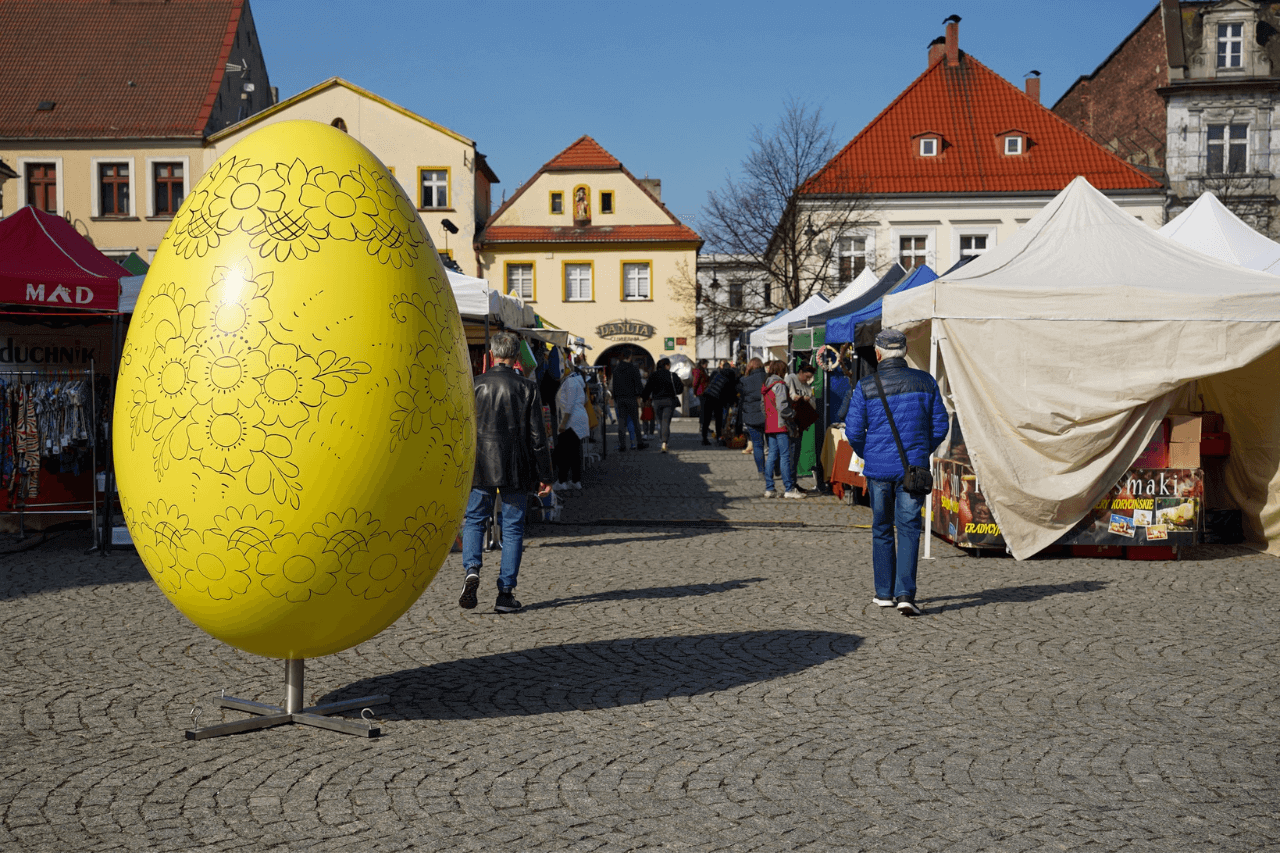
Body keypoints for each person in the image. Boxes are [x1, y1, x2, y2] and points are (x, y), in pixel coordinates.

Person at [844, 329, 948, 616]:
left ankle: (884, 593)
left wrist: (870, 454)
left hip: (878, 470)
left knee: (881, 528)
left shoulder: (866, 385)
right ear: (903, 352)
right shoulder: (925, 381)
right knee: (909, 529)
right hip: (912, 469)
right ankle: (905, 594)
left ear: (878, 354)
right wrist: (921, 450)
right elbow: (940, 425)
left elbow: (853, 431)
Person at [459, 332, 555, 614]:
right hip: (516, 466)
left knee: (475, 520)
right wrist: (546, 475)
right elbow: (539, 436)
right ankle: (505, 592)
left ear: (491, 355)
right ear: (516, 357)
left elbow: (463, 430)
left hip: (480, 466)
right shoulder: (527, 388)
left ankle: (472, 569)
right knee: (512, 528)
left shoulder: (474, 385)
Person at [762, 360, 804, 499]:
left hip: (770, 424)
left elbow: (762, 406)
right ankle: (789, 488)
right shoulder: (779, 385)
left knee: (772, 455)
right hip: (781, 424)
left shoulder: (766, 385)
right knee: (785, 456)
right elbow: (783, 407)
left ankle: (769, 488)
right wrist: (793, 415)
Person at [553, 362, 589, 490]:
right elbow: (584, 400)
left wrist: (563, 423)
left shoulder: (570, 382)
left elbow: (569, 405)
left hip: (571, 422)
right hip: (577, 420)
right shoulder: (577, 381)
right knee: (574, 452)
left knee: (565, 453)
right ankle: (575, 480)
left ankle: (562, 481)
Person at [785, 363, 818, 489]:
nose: (808, 380)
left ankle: (793, 483)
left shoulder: (807, 386)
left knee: (796, 453)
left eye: (810, 378)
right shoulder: (791, 378)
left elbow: (813, 404)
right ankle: (790, 484)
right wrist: (800, 398)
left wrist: (808, 399)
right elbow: (790, 396)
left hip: (801, 423)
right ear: (801, 373)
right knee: (791, 454)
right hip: (791, 422)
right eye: (807, 377)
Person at [642, 357, 684, 452]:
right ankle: (664, 442)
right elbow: (680, 389)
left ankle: (662, 439)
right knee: (666, 422)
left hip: (657, 402)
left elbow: (648, 389)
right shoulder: (673, 375)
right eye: (669, 365)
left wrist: (644, 398)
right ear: (666, 366)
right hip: (669, 401)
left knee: (660, 421)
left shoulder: (654, 375)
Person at [736, 358, 767, 475]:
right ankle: (776, 469)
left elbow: (740, 397)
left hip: (751, 416)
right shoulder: (768, 378)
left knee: (757, 445)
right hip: (768, 415)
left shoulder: (744, 380)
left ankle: (761, 471)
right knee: (773, 446)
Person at [610, 352, 647, 451]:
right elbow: (638, 383)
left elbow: (614, 385)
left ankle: (622, 445)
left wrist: (615, 397)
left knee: (621, 423)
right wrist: (640, 395)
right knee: (635, 421)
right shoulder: (633, 368)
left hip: (620, 399)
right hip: (631, 398)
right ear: (629, 357)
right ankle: (639, 443)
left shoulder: (616, 368)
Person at [700, 360, 737, 445]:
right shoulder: (728, 379)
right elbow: (728, 393)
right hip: (716, 399)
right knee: (718, 419)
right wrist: (732, 402)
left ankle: (704, 439)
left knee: (707, 419)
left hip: (707, 396)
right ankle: (719, 438)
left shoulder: (718, 374)